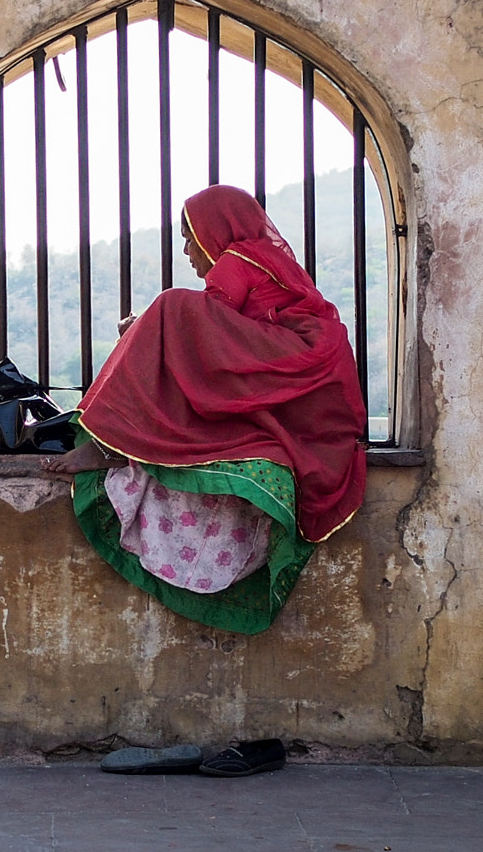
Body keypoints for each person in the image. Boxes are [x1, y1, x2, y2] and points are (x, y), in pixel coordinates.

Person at [42, 184, 367, 635]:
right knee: (170, 321)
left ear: (215, 231)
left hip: (289, 356)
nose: (187, 249)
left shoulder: (236, 260)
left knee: (172, 306)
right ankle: (122, 438)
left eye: (191, 235)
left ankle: (106, 441)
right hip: (305, 366)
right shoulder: (272, 263)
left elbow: (205, 327)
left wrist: (146, 326)